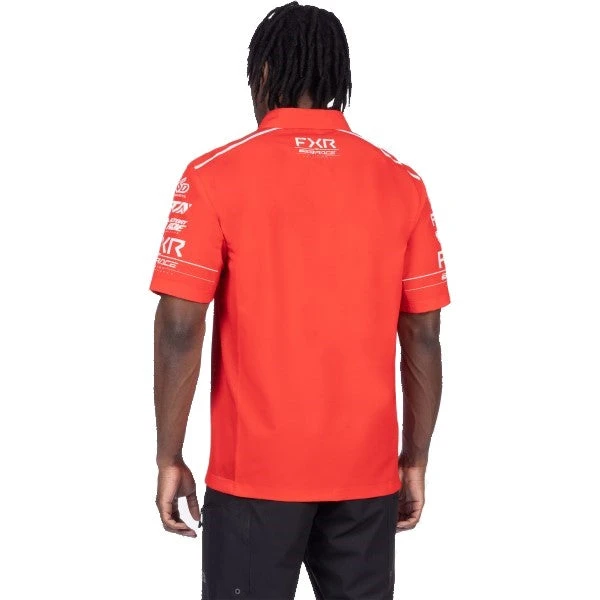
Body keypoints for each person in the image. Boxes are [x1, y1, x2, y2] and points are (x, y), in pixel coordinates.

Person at [150, 2, 450, 598]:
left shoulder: (213, 174)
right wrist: (413, 459)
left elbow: (180, 328)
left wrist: (169, 456)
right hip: (367, 478)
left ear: (262, 72)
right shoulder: (402, 181)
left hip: (254, 478)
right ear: (338, 75)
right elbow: (423, 335)